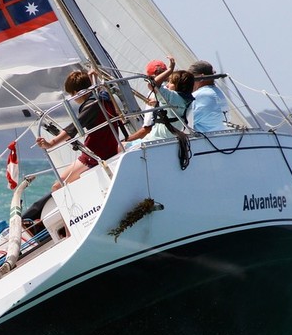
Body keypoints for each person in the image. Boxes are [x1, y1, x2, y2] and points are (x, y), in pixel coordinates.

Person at [24, 70, 121, 230]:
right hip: (109, 147)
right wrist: (92, 77)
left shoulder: (91, 105)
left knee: (57, 187)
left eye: (72, 94)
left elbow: (73, 128)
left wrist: (51, 143)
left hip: (95, 154)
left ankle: (71, 230)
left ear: (76, 93)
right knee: (73, 183)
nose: (73, 98)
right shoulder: (103, 96)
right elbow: (94, 87)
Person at [125, 56, 195, 145]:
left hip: (155, 140)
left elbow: (152, 85)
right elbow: (173, 110)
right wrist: (158, 104)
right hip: (169, 139)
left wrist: (170, 70)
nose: (167, 84)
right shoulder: (185, 99)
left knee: (121, 147)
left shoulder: (172, 96)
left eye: (170, 82)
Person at [187, 61, 228, 133]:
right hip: (220, 138)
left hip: (204, 141)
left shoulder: (201, 95)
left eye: (190, 79)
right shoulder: (218, 92)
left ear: (200, 77)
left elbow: (185, 123)